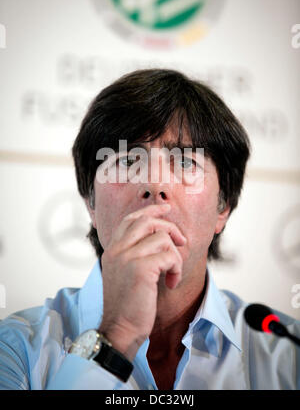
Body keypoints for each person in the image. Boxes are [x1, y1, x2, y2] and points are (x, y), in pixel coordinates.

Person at [0, 68, 299, 390]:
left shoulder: (287, 353)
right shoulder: (16, 349)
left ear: (222, 207)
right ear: (91, 202)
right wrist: (117, 333)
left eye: (185, 163)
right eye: (127, 162)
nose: (155, 186)